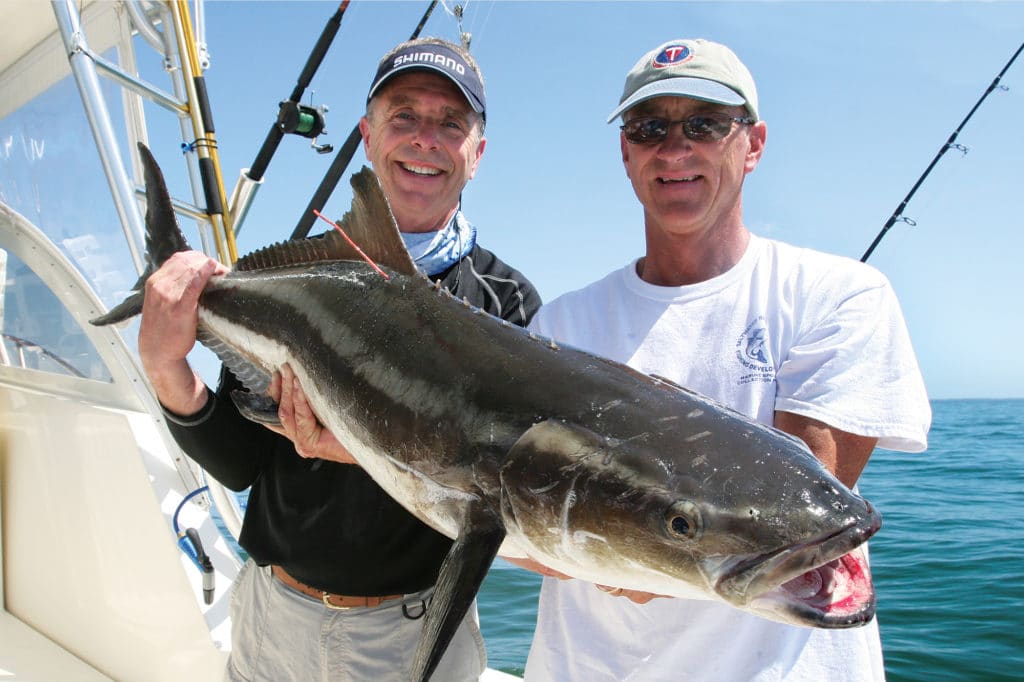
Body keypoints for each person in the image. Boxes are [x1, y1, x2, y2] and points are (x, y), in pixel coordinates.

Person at [520, 38, 931, 681]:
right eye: (650, 127)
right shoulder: (561, 324)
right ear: (626, 151)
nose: (675, 148)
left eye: (706, 125)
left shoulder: (840, 295)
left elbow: (790, 518)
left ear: (754, 143)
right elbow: (518, 511)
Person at [138, 37, 540, 681]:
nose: (424, 139)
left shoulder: (507, 303)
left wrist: (348, 444)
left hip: (414, 635)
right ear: (368, 134)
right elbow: (240, 464)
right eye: (403, 116)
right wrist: (167, 371)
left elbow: (492, 490)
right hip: (272, 619)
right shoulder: (296, 281)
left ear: (477, 152)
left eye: (450, 123)